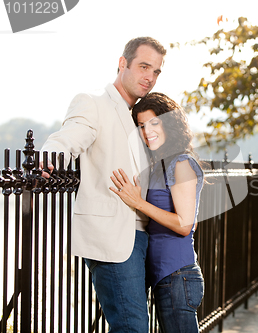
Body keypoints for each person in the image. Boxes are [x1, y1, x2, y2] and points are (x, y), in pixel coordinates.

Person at [41, 37, 167, 332]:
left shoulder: (140, 116)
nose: (150, 76)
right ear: (123, 63)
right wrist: (48, 158)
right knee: (132, 327)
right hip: (114, 238)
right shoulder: (94, 103)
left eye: (157, 71)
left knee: (133, 325)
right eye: (144, 66)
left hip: (144, 238)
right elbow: (69, 136)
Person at [109, 92, 205, 333]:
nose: (146, 131)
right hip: (166, 277)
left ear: (169, 123)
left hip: (177, 276)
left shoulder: (181, 163)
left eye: (154, 123)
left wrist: (139, 202)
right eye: (141, 125)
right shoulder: (159, 164)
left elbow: (185, 224)